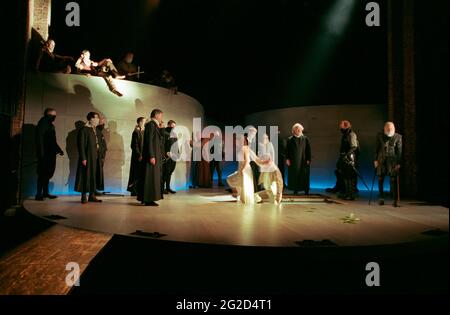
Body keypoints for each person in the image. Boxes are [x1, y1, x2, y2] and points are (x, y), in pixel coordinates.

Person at [35, 108, 64, 200]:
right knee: (42, 174)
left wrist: (58, 149)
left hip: (51, 154)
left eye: (55, 115)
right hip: (44, 155)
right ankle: (38, 194)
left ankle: (45, 193)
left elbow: (52, 141)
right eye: (52, 115)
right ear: (47, 115)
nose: (54, 117)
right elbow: (39, 141)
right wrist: (41, 155)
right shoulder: (42, 125)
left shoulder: (51, 126)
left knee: (47, 174)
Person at [75, 112, 102, 204]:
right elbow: (81, 145)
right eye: (96, 118)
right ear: (90, 119)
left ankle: (92, 195)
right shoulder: (84, 130)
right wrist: (83, 158)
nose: (98, 120)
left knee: (94, 175)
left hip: (96, 157)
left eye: (98, 118)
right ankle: (83, 196)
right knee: (86, 175)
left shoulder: (96, 130)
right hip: (88, 156)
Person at [138, 109, 164, 206]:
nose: (161, 118)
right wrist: (152, 156)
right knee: (150, 178)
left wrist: (161, 129)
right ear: (156, 115)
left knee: (150, 178)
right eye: (161, 116)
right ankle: (148, 199)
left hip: (154, 155)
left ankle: (146, 198)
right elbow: (149, 141)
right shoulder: (151, 125)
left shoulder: (154, 125)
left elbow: (159, 141)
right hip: (151, 156)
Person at [374, 122, 402, 207]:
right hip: (381, 160)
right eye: (388, 129)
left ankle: (395, 200)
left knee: (393, 180)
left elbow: (399, 151)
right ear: (385, 128)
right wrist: (375, 160)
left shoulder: (398, 137)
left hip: (392, 161)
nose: (389, 130)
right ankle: (381, 198)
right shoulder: (380, 135)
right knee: (380, 179)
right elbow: (376, 148)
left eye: (391, 129)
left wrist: (398, 163)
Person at [226, 134, 255, 204]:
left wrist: (243, 169)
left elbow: (247, 160)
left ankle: (240, 196)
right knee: (232, 180)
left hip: (244, 169)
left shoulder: (245, 148)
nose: (237, 141)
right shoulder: (240, 148)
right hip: (241, 169)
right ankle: (238, 194)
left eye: (240, 140)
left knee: (243, 184)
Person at [335, 120, 359, 200]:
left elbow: (354, 146)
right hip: (343, 158)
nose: (340, 129)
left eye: (341, 127)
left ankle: (351, 194)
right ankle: (347, 193)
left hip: (349, 158)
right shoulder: (345, 135)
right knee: (345, 176)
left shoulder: (351, 134)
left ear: (346, 127)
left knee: (350, 176)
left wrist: (346, 155)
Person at [257, 133, 284, 204]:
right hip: (264, 166)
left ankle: (277, 196)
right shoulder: (260, 145)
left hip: (271, 166)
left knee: (277, 181)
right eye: (263, 138)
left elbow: (273, 154)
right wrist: (262, 162)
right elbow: (259, 156)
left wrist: (271, 162)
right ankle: (270, 196)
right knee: (266, 184)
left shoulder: (270, 144)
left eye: (266, 138)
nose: (265, 139)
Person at [286, 123, 311, 195]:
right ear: (294, 130)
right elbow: (287, 150)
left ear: (301, 129)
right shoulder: (290, 139)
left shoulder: (305, 138)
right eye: (296, 129)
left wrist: (308, 159)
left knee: (304, 175)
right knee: (295, 175)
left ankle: (306, 190)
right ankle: (295, 190)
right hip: (294, 161)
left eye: (299, 129)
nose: (298, 130)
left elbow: (308, 150)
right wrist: (287, 159)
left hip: (303, 160)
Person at [127, 117, 146, 196]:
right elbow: (134, 145)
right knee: (135, 172)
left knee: (140, 173)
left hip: (142, 155)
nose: (145, 123)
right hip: (137, 156)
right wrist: (139, 154)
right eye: (144, 121)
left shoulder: (143, 131)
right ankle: (133, 190)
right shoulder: (136, 132)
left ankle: (138, 189)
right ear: (140, 122)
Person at [162, 120, 179, 194]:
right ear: (168, 125)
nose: (173, 128)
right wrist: (165, 153)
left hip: (174, 156)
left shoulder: (174, 134)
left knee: (170, 172)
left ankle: (168, 187)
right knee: (165, 172)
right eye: (172, 126)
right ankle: (161, 188)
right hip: (167, 156)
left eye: (174, 126)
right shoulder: (165, 133)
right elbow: (162, 144)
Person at [95, 118, 108, 195]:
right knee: (95, 173)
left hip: (101, 156)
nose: (102, 125)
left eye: (103, 124)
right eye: (101, 123)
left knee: (98, 174)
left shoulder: (100, 132)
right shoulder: (95, 132)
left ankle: (95, 189)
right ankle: (93, 190)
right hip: (96, 156)